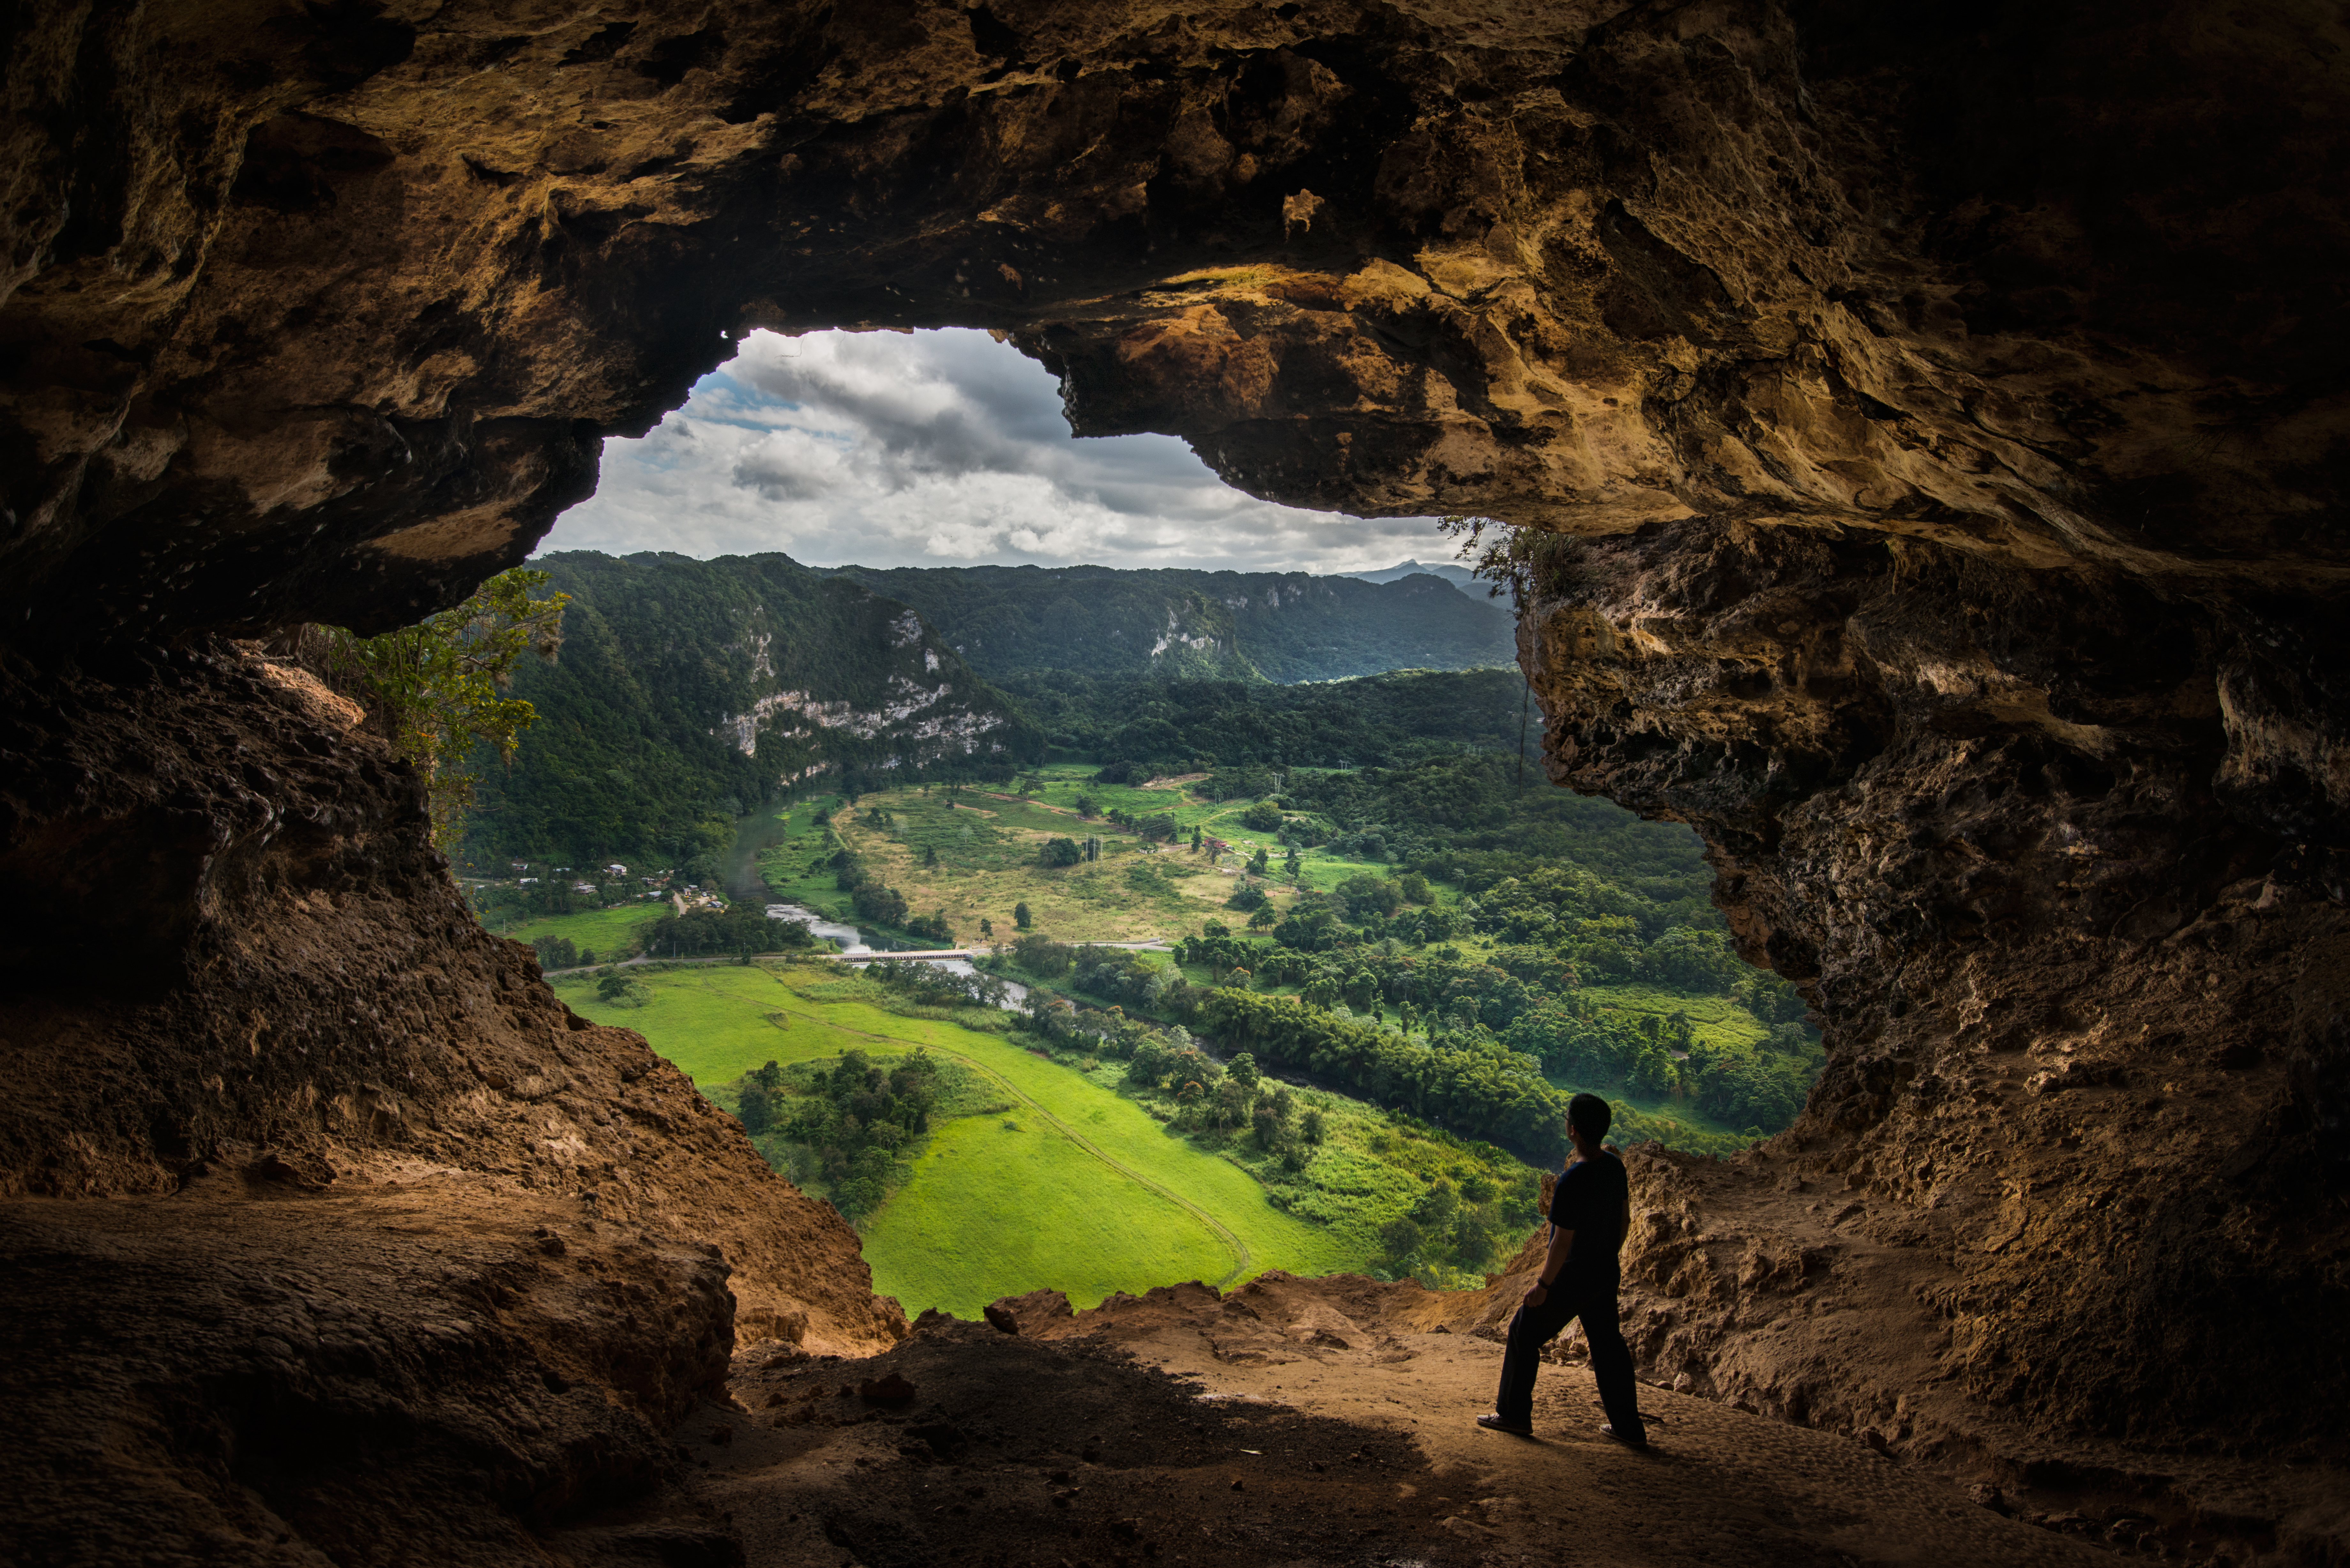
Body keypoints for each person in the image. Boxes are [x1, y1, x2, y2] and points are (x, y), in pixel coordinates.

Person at [1477, 1092, 1647, 1447]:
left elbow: (1560, 1243)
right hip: (1604, 1272)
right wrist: (1607, 1256)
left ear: (1573, 1130)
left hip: (1573, 1276)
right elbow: (1624, 1219)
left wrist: (1543, 1285)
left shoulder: (1572, 1180)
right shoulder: (1615, 1167)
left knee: (1524, 1330)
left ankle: (1513, 1415)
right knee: (1608, 1347)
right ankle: (1629, 1428)